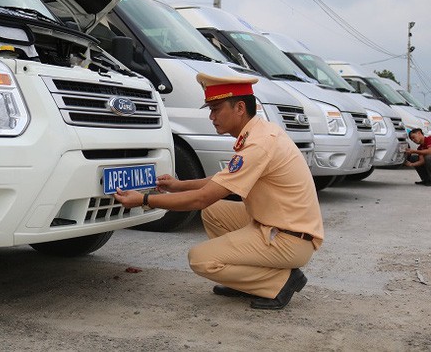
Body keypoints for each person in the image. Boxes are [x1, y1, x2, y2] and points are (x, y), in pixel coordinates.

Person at [114, 73, 324, 310]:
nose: (211, 116)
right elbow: (222, 181)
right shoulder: (260, 133)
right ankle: (243, 281)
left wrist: (145, 199)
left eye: (216, 108)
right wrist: (177, 185)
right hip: (279, 225)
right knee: (215, 212)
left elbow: (203, 198)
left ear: (240, 107)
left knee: (201, 259)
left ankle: (280, 282)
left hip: (289, 239)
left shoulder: (259, 144)